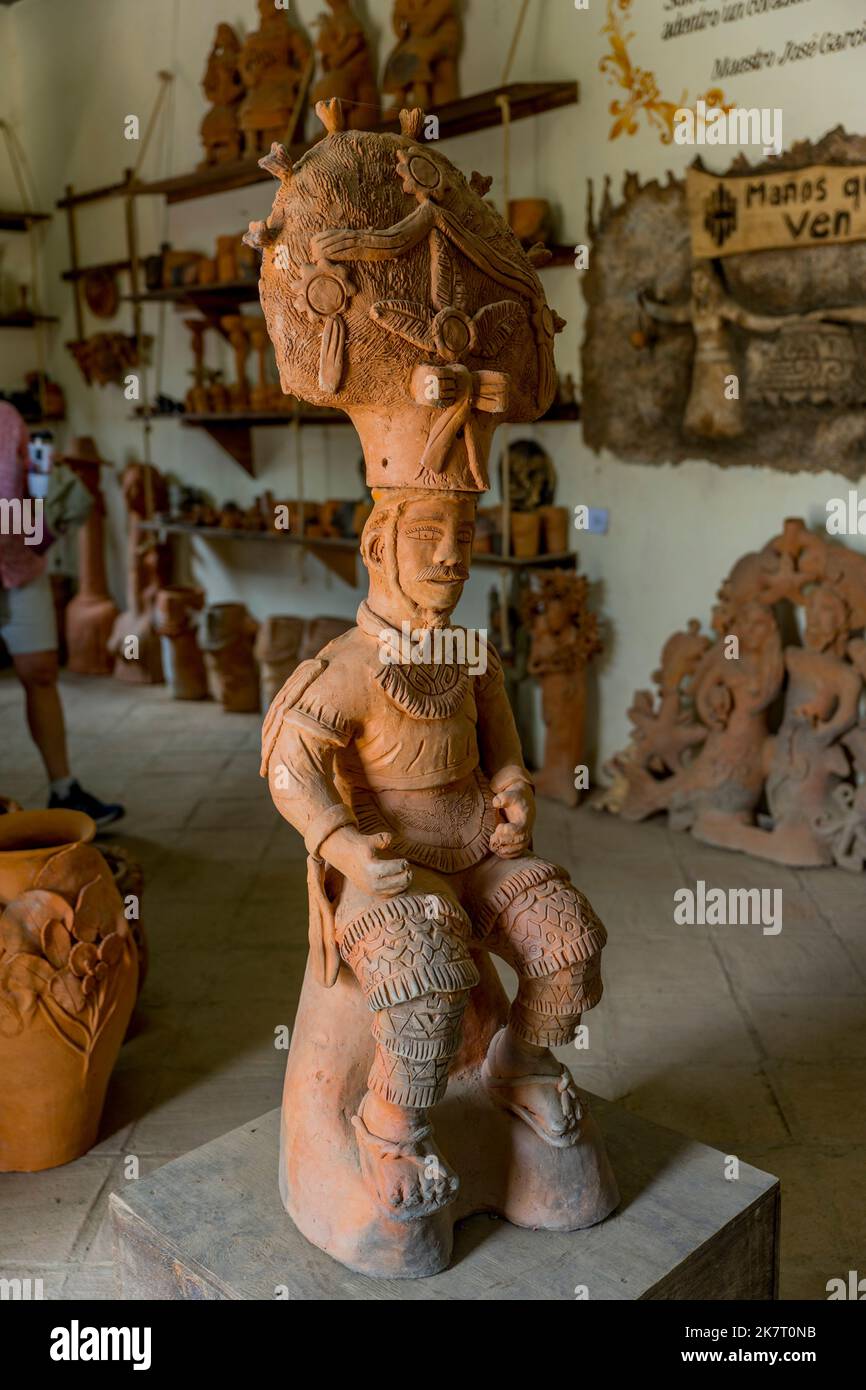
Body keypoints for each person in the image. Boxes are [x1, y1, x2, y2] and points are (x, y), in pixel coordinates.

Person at [0, 401, 124, 828]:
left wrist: (48, 487)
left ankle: (63, 788)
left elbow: (31, 495)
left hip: (18, 565)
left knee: (41, 671)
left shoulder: (7, 418)